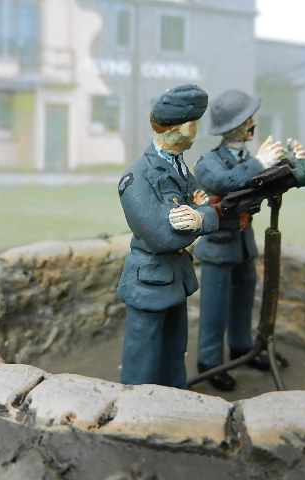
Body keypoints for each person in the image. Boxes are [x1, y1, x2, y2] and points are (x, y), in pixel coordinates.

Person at [193, 89, 305, 391]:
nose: (253, 123)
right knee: (215, 309)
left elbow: (270, 178)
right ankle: (209, 361)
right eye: (247, 119)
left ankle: (242, 349)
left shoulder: (252, 158)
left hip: (244, 244)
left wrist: (292, 162)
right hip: (219, 246)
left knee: (244, 301)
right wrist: (260, 162)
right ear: (235, 126)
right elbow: (225, 182)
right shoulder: (209, 162)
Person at [116, 84, 219, 389]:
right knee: (143, 356)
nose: (196, 131)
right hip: (149, 280)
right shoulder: (136, 178)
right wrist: (196, 216)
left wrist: (197, 218)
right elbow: (163, 237)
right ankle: (135, 409)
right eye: (194, 124)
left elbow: (211, 209)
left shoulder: (181, 168)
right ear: (183, 129)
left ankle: (174, 399)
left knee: (175, 350)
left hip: (176, 277)